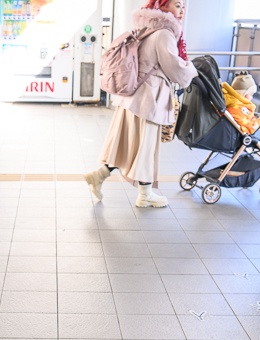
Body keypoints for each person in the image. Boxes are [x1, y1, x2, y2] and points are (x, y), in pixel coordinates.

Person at [84, 0, 197, 208]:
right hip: (149, 98)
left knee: (125, 144)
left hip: (131, 94)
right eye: (176, 5)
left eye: (183, 6)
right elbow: (173, 66)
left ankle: (98, 175)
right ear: (164, 5)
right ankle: (145, 194)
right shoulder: (164, 32)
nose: (181, 10)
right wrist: (191, 69)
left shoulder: (145, 26)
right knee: (145, 146)